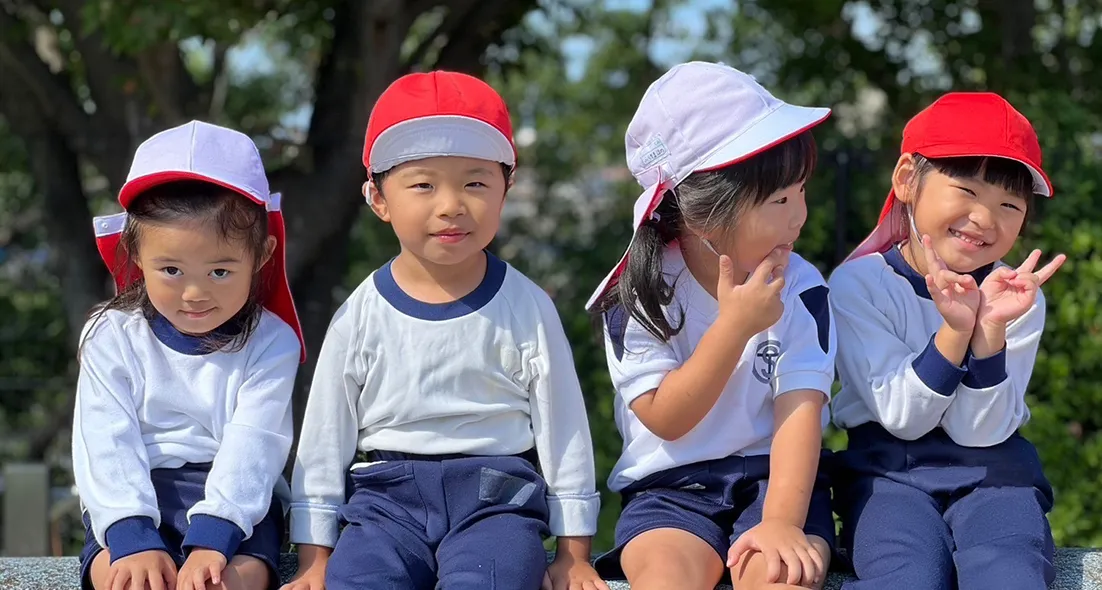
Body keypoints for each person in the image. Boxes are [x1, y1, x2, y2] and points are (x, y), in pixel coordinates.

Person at [283, 70, 604, 590]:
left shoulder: (527, 307)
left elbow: (564, 432)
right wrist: (314, 558)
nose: (451, 204)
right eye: (423, 184)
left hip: (496, 506)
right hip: (385, 504)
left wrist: (573, 553)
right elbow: (324, 440)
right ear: (379, 198)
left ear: (506, 189)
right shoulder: (359, 315)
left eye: (475, 182)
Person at [588, 61, 837, 590]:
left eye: (801, 192)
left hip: (777, 481)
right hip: (670, 489)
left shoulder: (801, 286)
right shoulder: (639, 292)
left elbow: (800, 408)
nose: (800, 216)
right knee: (665, 577)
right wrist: (735, 327)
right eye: (780, 201)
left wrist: (781, 523)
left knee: (779, 572)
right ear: (704, 215)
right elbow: (666, 418)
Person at [829, 92, 1066, 590]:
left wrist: (988, 334)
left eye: (1009, 203)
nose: (985, 218)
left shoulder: (1014, 297)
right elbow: (903, 418)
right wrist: (955, 332)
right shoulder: (859, 286)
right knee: (906, 576)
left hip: (996, 474)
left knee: (1010, 573)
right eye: (966, 190)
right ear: (907, 181)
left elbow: (982, 430)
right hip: (887, 473)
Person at [73, 120, 305, 590]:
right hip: (135, 494)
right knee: (120, 579)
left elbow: (254, 445)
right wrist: (132, 536)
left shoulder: (271, 341)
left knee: (235, 579)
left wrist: (215, 537)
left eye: (220, 270)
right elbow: (106, 440)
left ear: (262, 254)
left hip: (237, 503)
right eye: (172, 269)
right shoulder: (111, 334)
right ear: (135, 253)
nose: (195, 293)